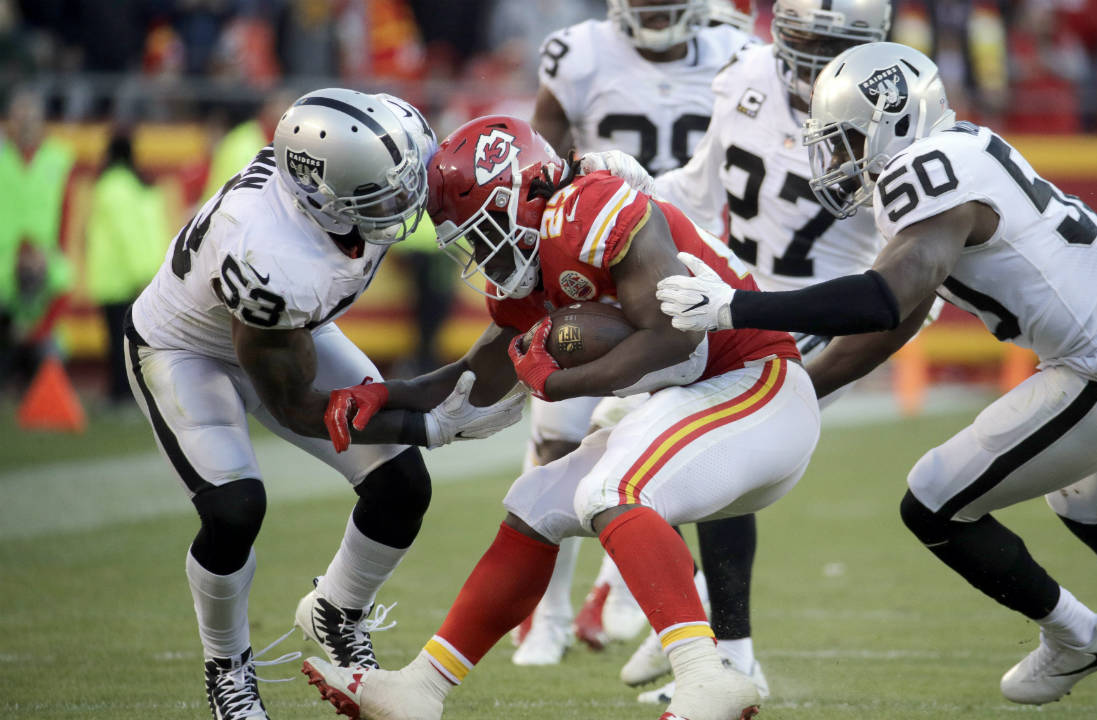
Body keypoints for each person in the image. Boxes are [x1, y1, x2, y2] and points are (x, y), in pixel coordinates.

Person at [655, 42, 1097, 720]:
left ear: (894, 120)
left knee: (932, 502)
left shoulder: (921, 170)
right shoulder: (957, 148)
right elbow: (901, 315)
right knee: (1092, 510)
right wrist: (802, 384)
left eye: (847, 139)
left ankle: (1075, 636)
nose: (837, 159)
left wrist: (734, 307)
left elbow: (884, 298)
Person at [302, 114, 818, 720]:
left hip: (759, 382)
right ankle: (421, 689)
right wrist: (389, 396)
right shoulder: (528, 271)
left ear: (515, 192)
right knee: (536, 502)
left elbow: (677, 336)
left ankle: (707, 678)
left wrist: (563, 381)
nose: (480, 252)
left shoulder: (591, 205)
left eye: (482, 228)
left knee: (612, 488)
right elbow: (479, 374)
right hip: (710, 400)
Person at [125, 88, 523, 720]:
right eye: (381, 198)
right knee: (234, 508)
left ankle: (336, 610)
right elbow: (296, 406)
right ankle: (227, 667)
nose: (404, 204)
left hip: (293, 326)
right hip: (187, 348)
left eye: (404, 183)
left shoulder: (362, 167)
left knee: (401, 486)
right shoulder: (269, 254)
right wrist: (430, 425)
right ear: (323, 199)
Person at [613, 0, 909, 703]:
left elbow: (909, 260)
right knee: (661, 450)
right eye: (802, 37)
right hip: (733, 289)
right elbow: (702, 184)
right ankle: (699, 629)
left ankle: (716, 642)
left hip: (819, 308)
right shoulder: (744, 73)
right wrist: (634, 190)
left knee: (694, 449)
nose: (808, 57)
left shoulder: (892, 113)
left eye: (828, 43)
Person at [516, 0, 756, 667]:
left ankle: (627, 597)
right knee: (558, 433)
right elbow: (540, 162)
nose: (656, 16)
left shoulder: (734, 59)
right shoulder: (578, 53)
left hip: (681, 264)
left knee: (656, 440)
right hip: (589, 266)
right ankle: (549, 611)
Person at [84, 131, 170, 407]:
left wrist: (138, 274)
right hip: (137, 275)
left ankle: (121, 396)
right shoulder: (140, 185)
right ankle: (125, 394)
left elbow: (126, 233)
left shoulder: (111, 187)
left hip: (117, 277)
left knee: (117, 342)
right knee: (131, 342)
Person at [0, 89, 74, 397]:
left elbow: (66, 209)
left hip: (44, 259)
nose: (26, 123)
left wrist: (55, 252)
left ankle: (36, 382)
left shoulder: (58, 158)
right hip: (4, 260)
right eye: (20, 116)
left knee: (50, 342)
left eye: (31, 116)